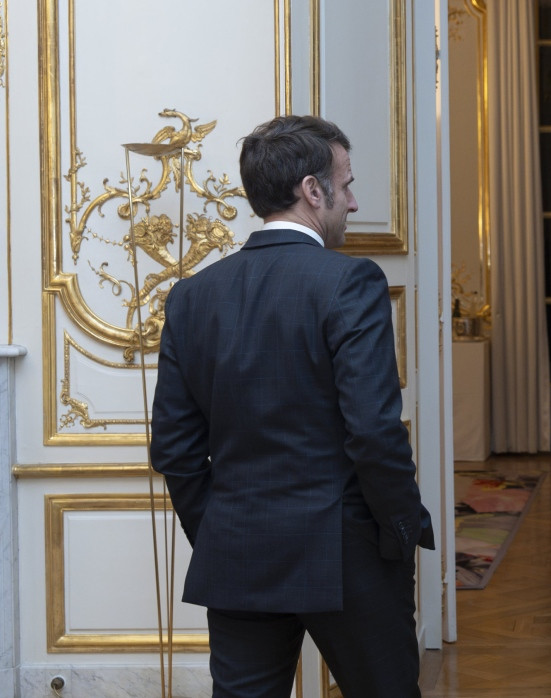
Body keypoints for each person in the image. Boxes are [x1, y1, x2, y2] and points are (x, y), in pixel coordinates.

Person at [149, 115, 434, 697]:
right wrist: (402, 529)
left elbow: (175, 451)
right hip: (346, 549)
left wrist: (221, 530)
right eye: (347, 184)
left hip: (238, 550)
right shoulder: (350, 282)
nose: (353, 203)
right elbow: (374, 432)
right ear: (312, 191)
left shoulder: (191, 296)